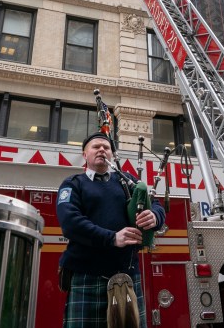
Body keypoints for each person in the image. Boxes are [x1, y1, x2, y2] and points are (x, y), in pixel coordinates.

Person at [56, 132, 166, 328]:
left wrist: (155, 216)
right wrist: (112, 238)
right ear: (85, 154)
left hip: (127, 275)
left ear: (112, 155)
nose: (101, 150)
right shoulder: (73, 184)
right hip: (87, 275)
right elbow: (70, 223)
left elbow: (156, 205)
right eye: (95, 146)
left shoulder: (126, 181)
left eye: (106, 147)